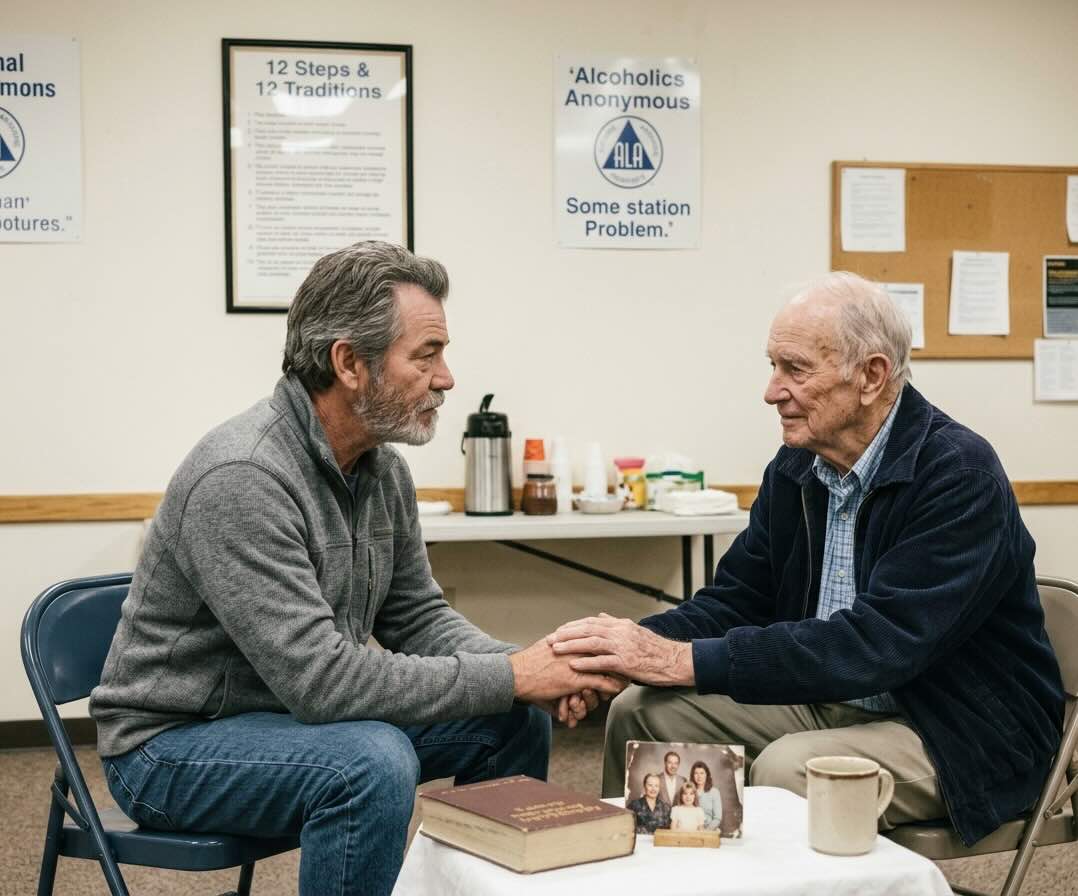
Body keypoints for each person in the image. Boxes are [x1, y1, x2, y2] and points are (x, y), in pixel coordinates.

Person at [89, 241, 622, 896]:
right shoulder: (243, 477)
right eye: (426, 355)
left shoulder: (381, 468)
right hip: (169, 747)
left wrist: (529, 671)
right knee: (369, 763)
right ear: (349, 363)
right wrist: (515, 672)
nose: (448, 377)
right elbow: (324, 684)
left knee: (510, 718)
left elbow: (418, 617)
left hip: (287, 720)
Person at [549, 272, 1065, 847]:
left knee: (791, 770)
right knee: (640, 712)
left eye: (795, 369)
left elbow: (877, 645)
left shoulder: (957, 476)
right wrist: (620, 654)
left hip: (956, 727)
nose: (772, 390)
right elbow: (735, 601)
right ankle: (665, 881)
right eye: (772, 365)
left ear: (871, 376)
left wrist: (679, 659)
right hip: (828, 698)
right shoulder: (796, 467)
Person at [689, 760, 722, 831]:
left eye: (702, 773)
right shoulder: (689, 791)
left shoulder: (714, 792)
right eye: (696, 773)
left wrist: (705, 832)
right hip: (690, 829)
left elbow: (717, 818)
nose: (699, 776)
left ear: (707, 775)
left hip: (708, 830)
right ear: (692, 775)